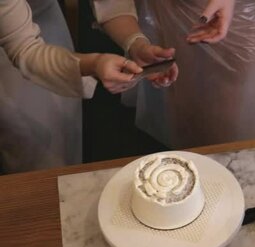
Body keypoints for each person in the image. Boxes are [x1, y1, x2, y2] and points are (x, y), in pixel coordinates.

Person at [93, 0, 255, 150]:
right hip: (172, 12)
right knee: (186, 108)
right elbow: (111, 4)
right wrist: (135, 42)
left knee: (235, 131)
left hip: (245, 15)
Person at [0, 0, 148, 173]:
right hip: (15, 37)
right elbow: (25, 49)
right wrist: (94, 63)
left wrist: (135, 42)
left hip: (41, 11)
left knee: (64, 130)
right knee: (31, 141)